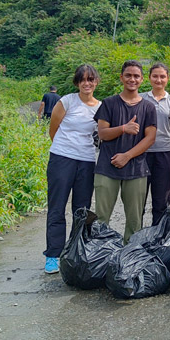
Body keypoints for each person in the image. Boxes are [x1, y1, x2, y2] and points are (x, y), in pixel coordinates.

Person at [42, 65, 101, 274]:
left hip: (86, 161)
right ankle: (53, 255)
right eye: (83, 79)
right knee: (57, 206)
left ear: (96, 82)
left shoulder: (100, 107)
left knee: (81, 210)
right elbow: (53, 129)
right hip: (61, 158)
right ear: (77, 82)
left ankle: (76, 251)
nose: (87, 83)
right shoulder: (66, 101)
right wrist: (65, 148)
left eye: (91, 79)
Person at [94, 60, 157, 241]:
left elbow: (150, 138)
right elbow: (103, 133)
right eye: (128, 75)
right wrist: (123, 128)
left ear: (142, 79)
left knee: (135, 221)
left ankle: (130, 259)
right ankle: (101, 255)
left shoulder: (148, 107)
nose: (132, 79)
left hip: (136, 168)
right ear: (121, 77)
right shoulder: (109, 103)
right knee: (101, 218)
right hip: (107, 166)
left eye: (136, 76)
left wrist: (127, 156)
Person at [140, 62, 170, 226]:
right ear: (149, 78)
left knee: (161, 200)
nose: (159, 79)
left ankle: (158, 237)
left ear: (167, 78)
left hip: (165, 152)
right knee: (138, 198)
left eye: (162, 76)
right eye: (155, 76)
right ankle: (136, 236)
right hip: (141, 153)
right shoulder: (140, 98)